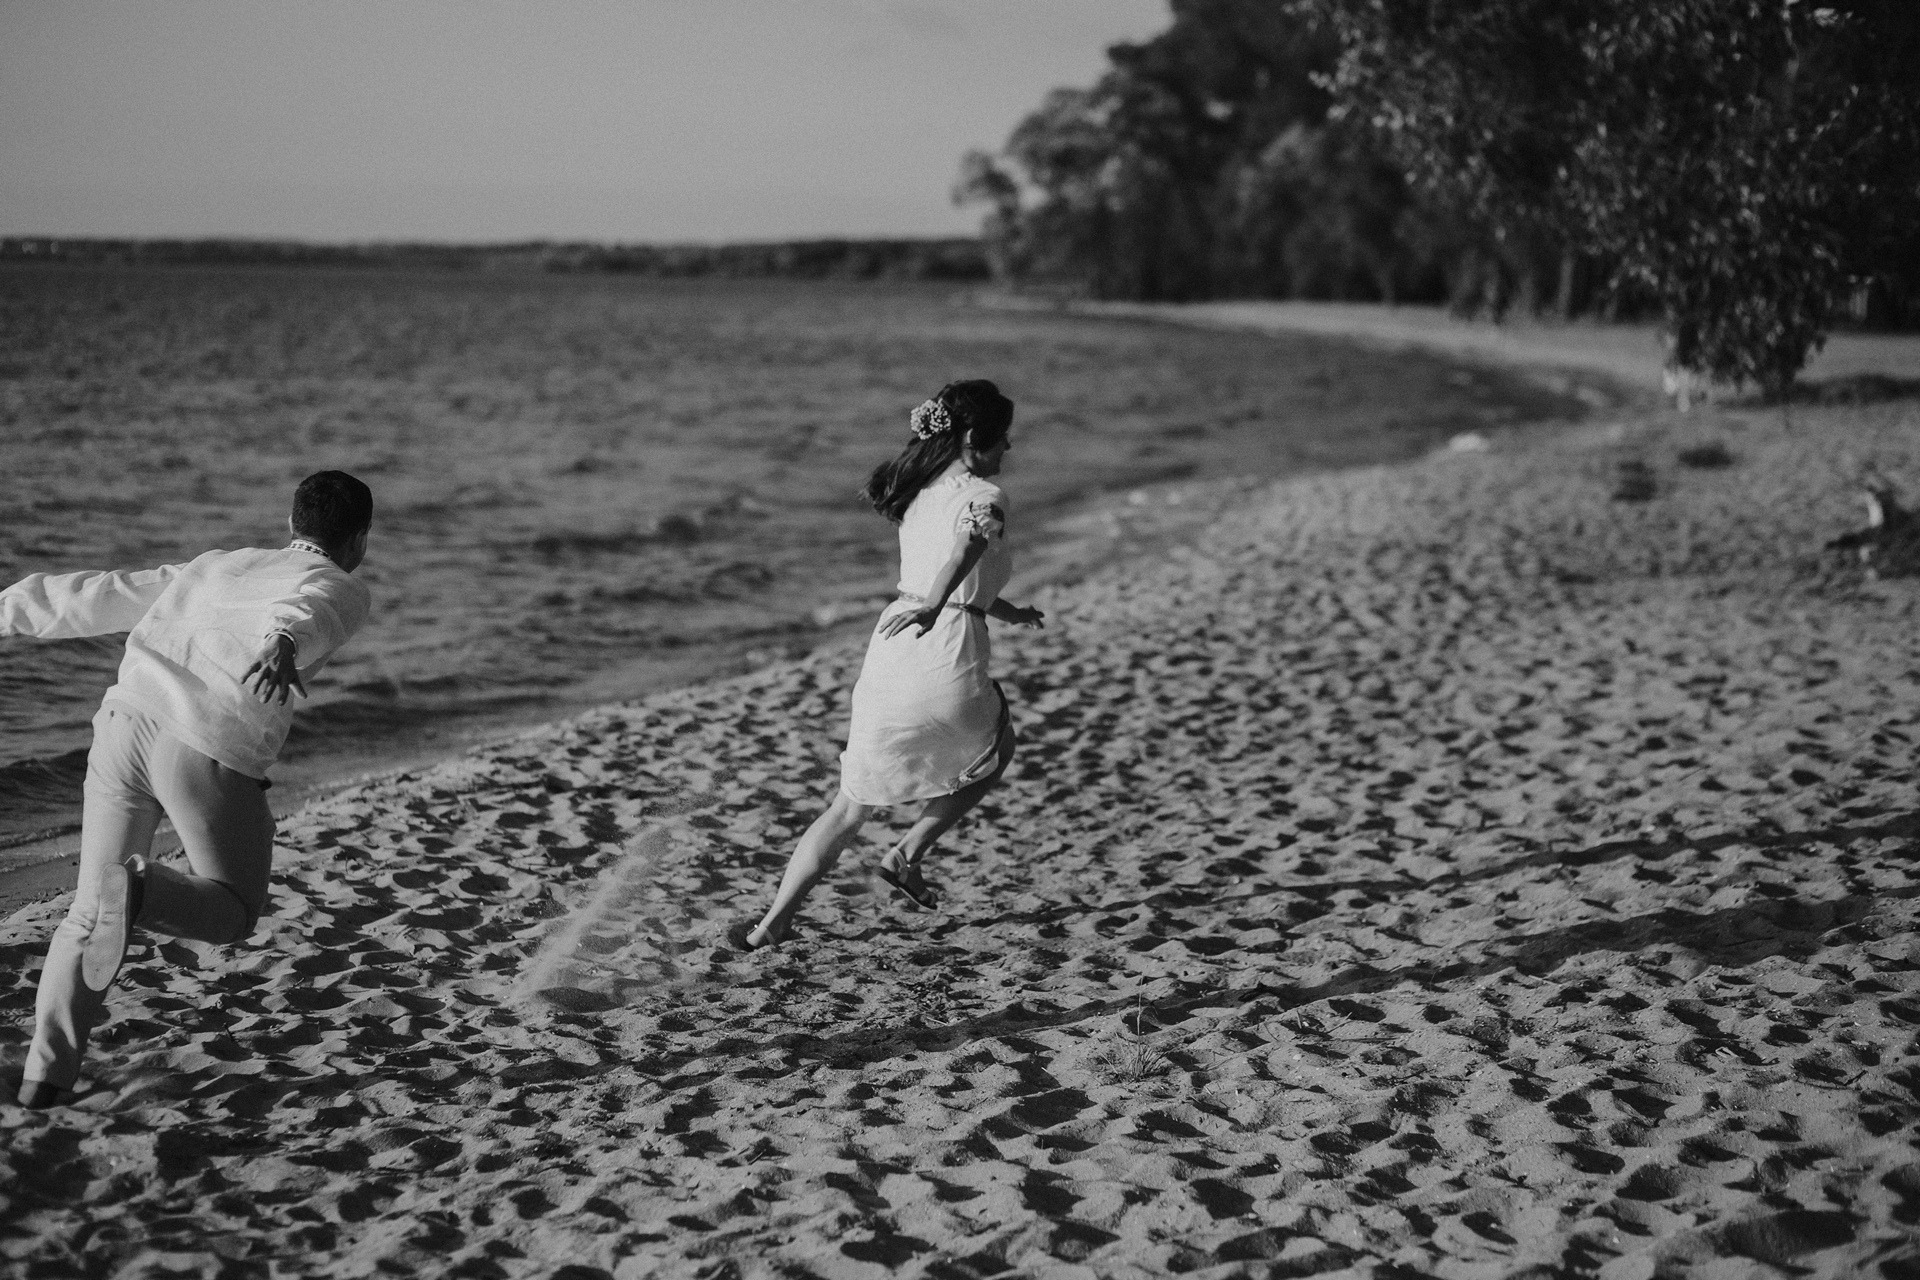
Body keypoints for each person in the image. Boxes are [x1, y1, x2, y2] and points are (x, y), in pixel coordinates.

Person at [2, 470, 374, 1108]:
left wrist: (6, 610)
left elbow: (100, 592)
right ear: (359, 540)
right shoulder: (342, 583)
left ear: (290, 525)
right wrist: (283, 641)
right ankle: (144, 889)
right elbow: (313, 608)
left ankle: (46, 1082)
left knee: (87, 915)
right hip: (201, 748)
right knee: (233, 909)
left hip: (122, 727)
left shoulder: (216, 565)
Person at [730, 380, 1044, 951]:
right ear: (976, 439)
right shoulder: (986, 494)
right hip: (942, 641)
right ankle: (905, 854)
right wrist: (936, 606)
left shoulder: (919, 494)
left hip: (893, 643)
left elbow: (951, 572)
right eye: (1003, 440)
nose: (1009, 450)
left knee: (848, 806)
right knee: (996, 750)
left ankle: (772, 923)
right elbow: (967, 550)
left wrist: (1006, 608)